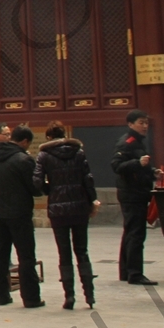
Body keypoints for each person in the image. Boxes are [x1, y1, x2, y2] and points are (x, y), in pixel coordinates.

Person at [33, 124, 98, 309]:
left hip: (57, 209)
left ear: (48, 137)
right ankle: (90, 295)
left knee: (64, 252)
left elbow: (37, 181)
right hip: (79, 207)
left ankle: (69, 296)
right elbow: (88, 178)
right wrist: (92, 200)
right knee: (82, 250)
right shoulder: (78, 152)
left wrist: (51, 189)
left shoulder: (44, 155)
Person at [0, 124, 42, 307]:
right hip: (19, 213)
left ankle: (0, 295)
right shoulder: (23, 160)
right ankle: (31, 298)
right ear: (25, 141)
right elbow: (34, 188)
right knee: (26, 256)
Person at [112, 110, 158, 285]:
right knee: (136, 234)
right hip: (131, 193)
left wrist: (153, 172)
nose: (145, 126)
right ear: (130, 124)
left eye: (146, 123)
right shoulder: (127, 143)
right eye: (141, 122)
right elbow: (116, 165)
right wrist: (137, 163)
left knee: (130, 232)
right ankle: (135, 273)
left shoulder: (138, 143)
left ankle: (126, 271)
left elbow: (142, 167)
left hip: (138, 192)